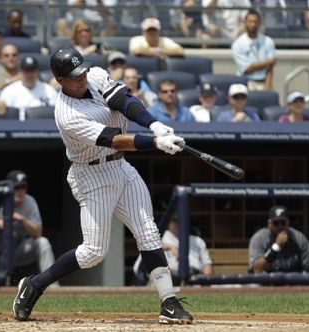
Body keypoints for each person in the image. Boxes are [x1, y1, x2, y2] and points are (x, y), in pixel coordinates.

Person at [12, 48, 193, 325]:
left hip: (120, 167)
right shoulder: (67, 115)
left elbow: (124, 100)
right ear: (60, 80)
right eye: (73, 76)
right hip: (91, 176)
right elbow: (114, 139)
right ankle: (35, 284)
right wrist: (154, 143)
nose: (82, 77)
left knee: (148, 233)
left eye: (82, 70)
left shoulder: (95, 75)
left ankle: (168, 302)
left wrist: (155, 125)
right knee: (93, 252)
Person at [0, 170, 57, 286]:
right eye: (16, 187)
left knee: (43, 242)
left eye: (23, 187)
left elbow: (38, 232)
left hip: (19, 250)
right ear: (9, 188)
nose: (20, 191)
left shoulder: (29, 201)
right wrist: (4, 225)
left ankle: (52, 287)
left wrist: (21, 219)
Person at [134, 216, 213, 286]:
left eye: (181, 220)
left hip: (195, 277)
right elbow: (138, 266)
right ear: (169, 222)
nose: (178, 224)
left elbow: (207, 264)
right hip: (168, 279)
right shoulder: (159, 238)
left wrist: (206, 281)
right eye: (175, 221)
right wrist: (169, 246)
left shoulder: (197, 240)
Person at [248, 205, 309, 273]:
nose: (280, 226)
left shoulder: (298, 238)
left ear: (288, 223)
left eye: (283, 222)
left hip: (293, 281)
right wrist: (276, 247)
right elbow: (256, 269)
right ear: (269, 223)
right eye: (276, 223)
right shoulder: (259, 239)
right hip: (266, 281)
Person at [231, 9, 276, 91]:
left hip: (264, 82)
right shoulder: (238, 44)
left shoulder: (268, 41)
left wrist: (268, 88)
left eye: (255, 22)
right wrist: (267, 62)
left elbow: (270, 67)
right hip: (245, 83)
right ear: (245, 23)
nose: (253, 24)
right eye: (250, 21)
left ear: (259, 24)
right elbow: (247, 69)